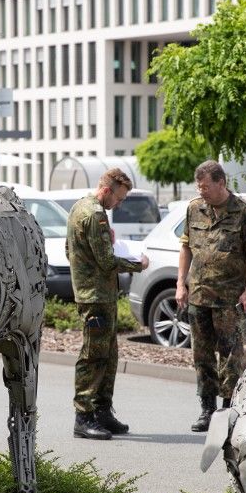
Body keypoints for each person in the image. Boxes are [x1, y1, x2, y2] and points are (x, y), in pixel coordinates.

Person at [176, 160, 246, 433]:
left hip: (229, 298)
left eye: (206, 187)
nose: (201, 191)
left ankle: (228, 409)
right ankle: (207, 408)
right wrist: (181, 283)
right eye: (198, 186)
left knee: (230, 356)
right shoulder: (194, 209)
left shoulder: (244, 212)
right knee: (201, 355)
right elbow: (186, 247)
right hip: (199, 294)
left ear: (221, 183)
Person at [66, 169, 149, 440]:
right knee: (93, 356)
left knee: (109, 355)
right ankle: (84, 416)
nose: (120, 204)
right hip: (96, 296)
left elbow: (71, 250)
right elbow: (106, 261)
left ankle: (102, 412)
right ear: (107, 190)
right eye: (120, 198)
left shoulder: (80, 206)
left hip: (98, 294)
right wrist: (138, 264)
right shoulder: (95, 214)